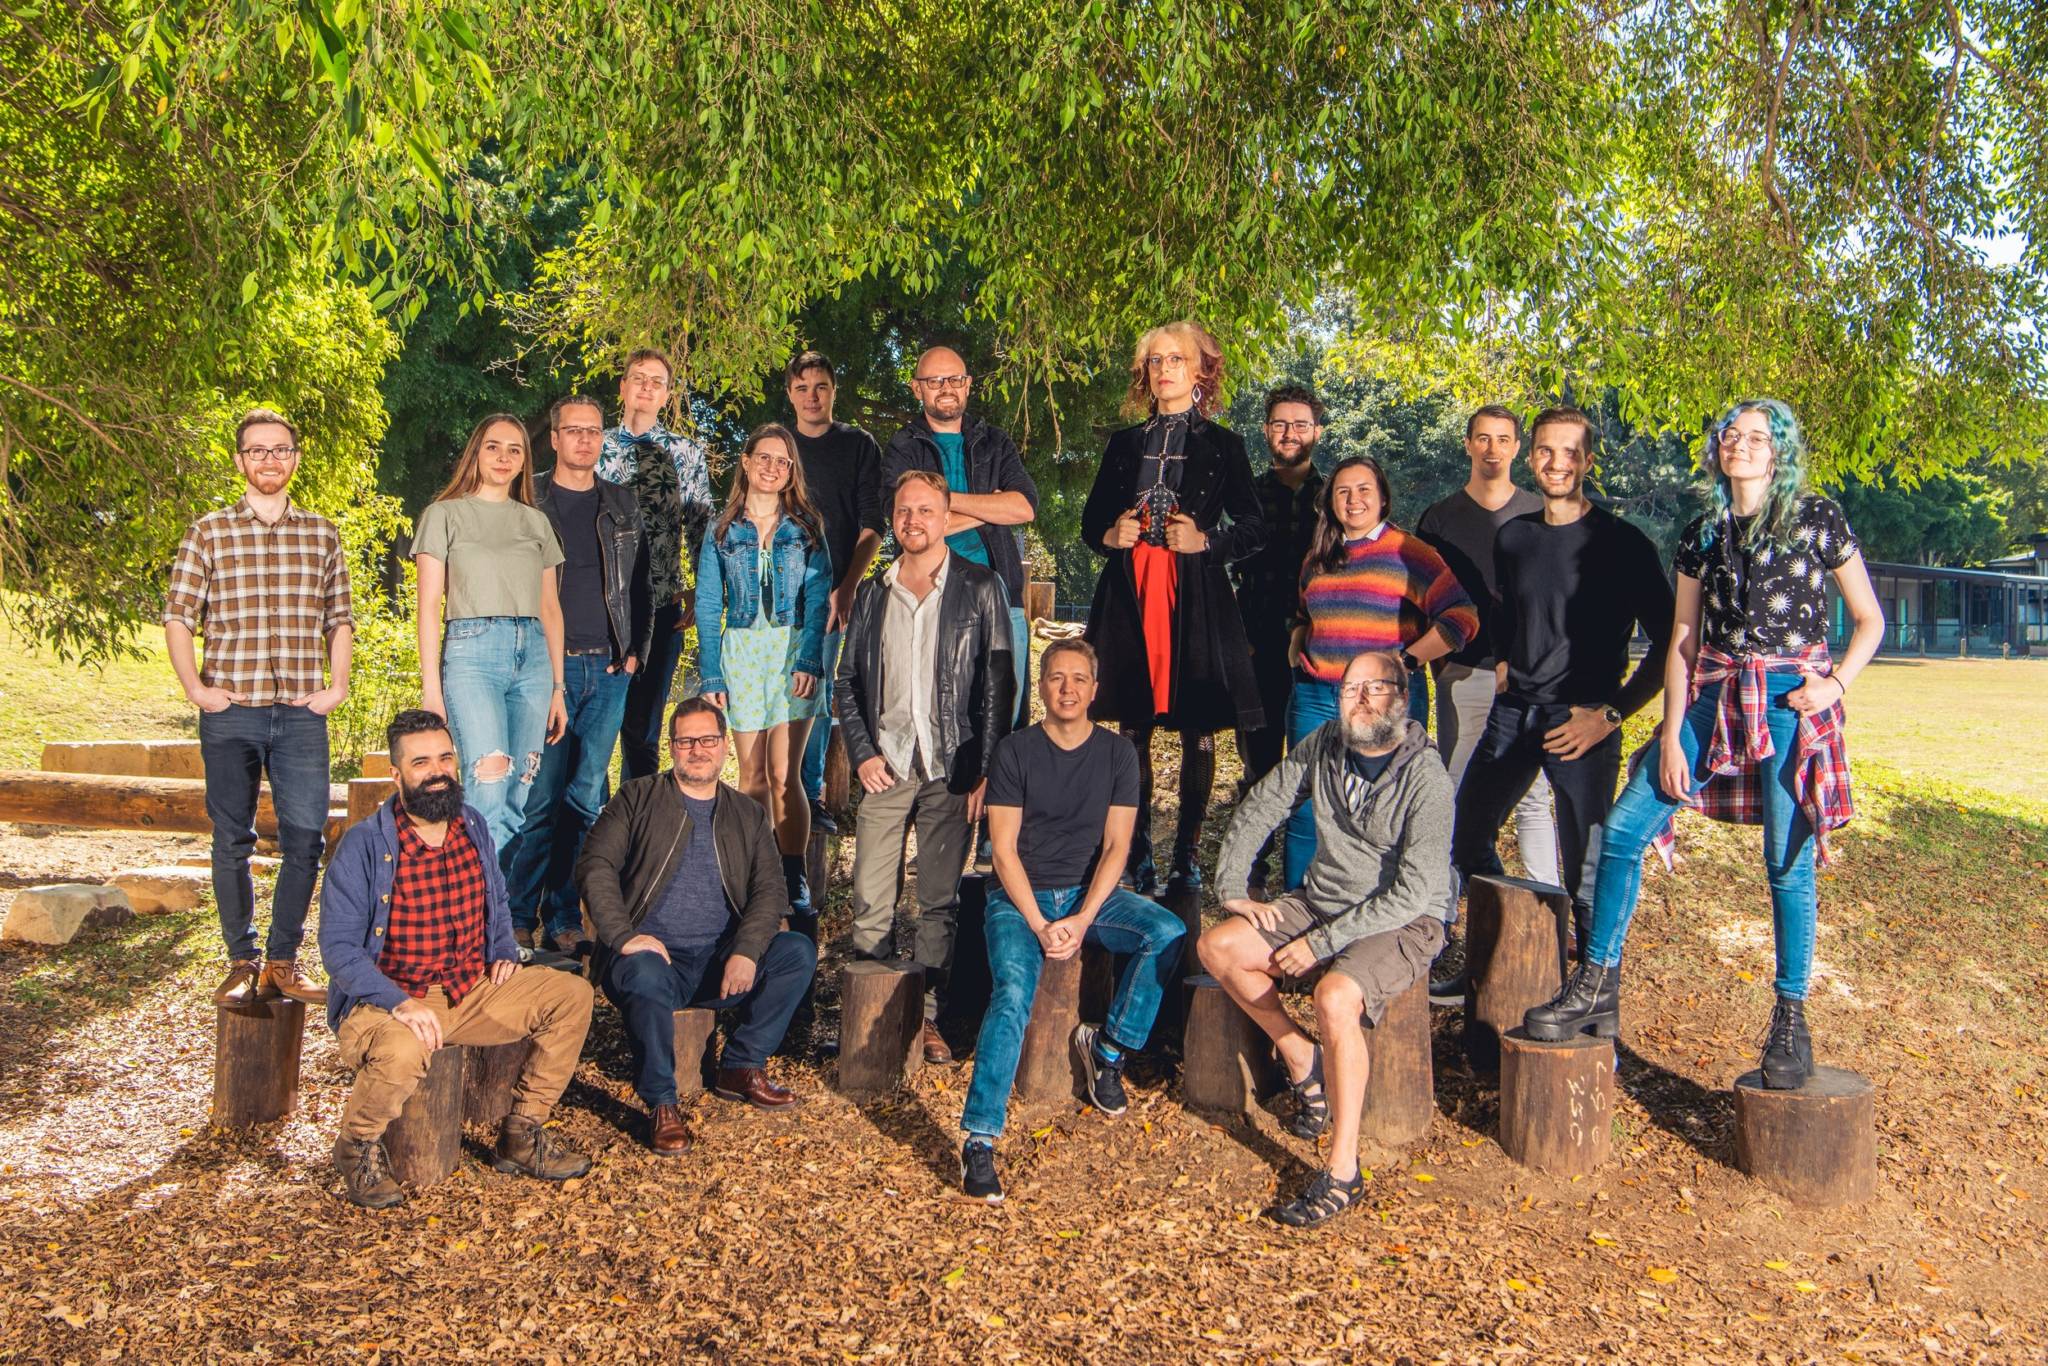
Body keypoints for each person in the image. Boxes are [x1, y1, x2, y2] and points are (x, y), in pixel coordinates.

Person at [1525, 399, 1884, 1091]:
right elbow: (1683, 640)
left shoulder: (1817, 518)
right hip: (1713, 695)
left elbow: (1869, 620)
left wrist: (1835, 686)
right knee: (1625, 831)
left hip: (1787, 701)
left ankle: (1790, 1019)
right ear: (1717, 448)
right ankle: (1594, 983)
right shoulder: (1702, 533)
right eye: (1730, 436)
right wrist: (1670, 733)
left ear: (1778, 451)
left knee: (1786, 865)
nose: (1740, 446)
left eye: (1756, 438)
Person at [1201, 651, 1454, 1227]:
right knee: (1218, 948)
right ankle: (1300, 1056)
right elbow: (1265, 802)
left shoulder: (1426, 778)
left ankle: (1344, 1170)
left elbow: (1414, 893)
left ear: (1401, 698)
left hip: (1404, 919)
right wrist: (1233, 883)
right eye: (1350, 689)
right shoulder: (1323, 745)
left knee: (1335, 997)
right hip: (1322, 900)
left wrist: (1320, 945)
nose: (1361, 700)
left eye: (1376, 689)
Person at [320, 710, 595, 1209]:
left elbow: (496, 895)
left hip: (467, 990)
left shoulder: (471, 824)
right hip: (388, 1002)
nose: (437, 770)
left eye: (445, 757)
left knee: (571, 995)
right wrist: (399, 1002)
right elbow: (338, 948)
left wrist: (502, 948)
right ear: (396, 774)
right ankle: (357, 1146)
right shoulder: (366, 844)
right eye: (421, 762)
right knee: (403, 1053)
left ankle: (522, 1133)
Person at [957, 639, 1186, 1203]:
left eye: (1079, 679)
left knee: (1166, 933)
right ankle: (980, 1139)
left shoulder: (1116, 754)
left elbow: (1118, 847)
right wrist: (1039, 923)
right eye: (1057, 678)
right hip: (1019, 900)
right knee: (1012, 992)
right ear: (1043, 687)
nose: (1067, 689)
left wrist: (1083, 919)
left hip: (1092, 897)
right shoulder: (1014, 752)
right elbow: (1002, 852)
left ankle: (1107, 1051)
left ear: (1094, 688)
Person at [1449, 406, 1674, 955]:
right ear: (1532, 458)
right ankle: (1518, 950)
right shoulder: (1516, 538)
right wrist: (1503, 660)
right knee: (1465, 839)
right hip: (1515, 713)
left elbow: (1671, 643)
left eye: (1570, 452)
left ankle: (1591, 996)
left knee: (1587, 870)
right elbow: (1507, 612)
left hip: (1584, 722)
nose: (1557, 462)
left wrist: (1610, 715)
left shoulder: (1624, 545)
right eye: (1546, 450)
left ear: (1587, 461)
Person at [164, 407, 351, 1007]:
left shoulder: (322, 533)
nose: (270, 459)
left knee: (305, 840)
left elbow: (338, 618)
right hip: (232, 710)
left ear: (294, 458)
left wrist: (338, 685)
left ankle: (282, 961)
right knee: (232, 839)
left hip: (301, 712)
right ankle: (241, 960)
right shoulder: (208, 532)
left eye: (280, 449)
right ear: (241, 461)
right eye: (258, 451)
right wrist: (197, 690)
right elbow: (178, 616)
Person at [576, 698, 819, 1154]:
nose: (698, 750)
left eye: (708, 740)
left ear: (725, 746)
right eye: (687, 741)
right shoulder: (637, 797)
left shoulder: (746, 814)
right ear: (672, 748)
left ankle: (742, 1065)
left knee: (796, 953)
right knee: (645, 973)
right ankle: (661, 1102)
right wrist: (624, 936)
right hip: (652, 959)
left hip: (718, 957)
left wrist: (746, 949)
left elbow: (770, 890)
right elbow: (595, 866)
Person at [1080, 319, 1266, 896]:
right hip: (1130, 592)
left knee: (1198, 728)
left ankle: (1186, 851)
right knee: (1131, 725)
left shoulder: (1225, 446)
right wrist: (1110, 536)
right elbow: (1092, 524)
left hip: (1196, 594)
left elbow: (1255, 528)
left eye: (1176, 360)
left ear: (1200, 371)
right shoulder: (1122, 445)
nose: (1164, 370)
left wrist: (1208, 543)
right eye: (1155, 361)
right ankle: (1136, 853)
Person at [837, 469, 1016, 1060]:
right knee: (871, 897)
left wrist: (987, 769)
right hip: (885, 766)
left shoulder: (980, 586)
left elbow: (998, 685)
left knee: (938, 901)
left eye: (925, 511)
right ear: (894, 520)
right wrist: (861, 754)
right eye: (903, 512)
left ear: (946, 519)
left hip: (952, 768)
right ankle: (869, 1018)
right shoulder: (874, 592)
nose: (913, 521)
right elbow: (846, 683)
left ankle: (925, 1018)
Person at [1283, 456, 1476, 889]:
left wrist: (1407, 661)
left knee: (1384, 810)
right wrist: (1298, 639)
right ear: (1331, 501)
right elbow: (1303, 611)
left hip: (1383, 701)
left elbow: (1462, 617)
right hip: (1317, 696)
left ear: (1383, 497)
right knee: (1305, 807)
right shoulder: (1318, 557)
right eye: (1343, 491)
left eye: (1364, 489)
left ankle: (1378, 918)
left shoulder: (1410, 553)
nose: (1354, 500)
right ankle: (1296, 911)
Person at [504, 394, 652, 953]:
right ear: (556, 437)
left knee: (586, 798)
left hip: (609, 668)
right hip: (547, 666)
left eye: (594, 432)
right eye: (574, 431)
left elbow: (639, 584)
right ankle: (518, 913)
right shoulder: (529, 499)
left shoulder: (621, 502)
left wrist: (635, 647)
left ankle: (564, 916)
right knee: (539, 797)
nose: (585, 441)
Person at [414, 414, 568, 868]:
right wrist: (431, 688)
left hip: (535, 659)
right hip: (472, 652)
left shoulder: (536, 523)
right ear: (475, 454)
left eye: (515, 450)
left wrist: (558, 688)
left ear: (524, 462)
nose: (504, 458)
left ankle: (485, 921)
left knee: (519, 791)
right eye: (493, 447)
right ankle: (477, 924)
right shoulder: (443, 515)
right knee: (487, 784)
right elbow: (428, 608)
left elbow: (551, 610)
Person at [1414, 404, 1559, 883]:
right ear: (1468, 444)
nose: (1492, 448)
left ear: (1517, 448)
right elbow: (1425, 601)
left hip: (1528, 674)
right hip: (1465, 672)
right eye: (1483, 438)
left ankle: (1546, 902)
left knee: (1533, 794)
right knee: (1457, 786)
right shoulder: (1439, 519)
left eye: (1503, 439)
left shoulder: (1540, 515)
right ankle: (1445, 908)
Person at [696, 424, 832, 921]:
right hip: (743, 655)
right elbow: (709, 604)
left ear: (791, 471)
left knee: (782, 774)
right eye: (765, 458)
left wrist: (810, 660)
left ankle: (792, 871)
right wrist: (711, 676)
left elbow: (819, 599)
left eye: (784, 461)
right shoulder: (721, 530)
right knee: (751, 775)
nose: (773, 468)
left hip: (792, 652)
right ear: (747, 463)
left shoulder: (807, 528)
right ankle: (753, 873)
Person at [881, 345, 1040, 725]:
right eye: (934, 381)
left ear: (967, 385)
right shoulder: (903, 448)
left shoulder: (995, 442)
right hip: (929, 598)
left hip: (1001, 595)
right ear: (917, 388)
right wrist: (990, 510)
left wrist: (944, 505)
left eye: (955, 379)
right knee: (939, 716)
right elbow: (909, 526)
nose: (946, 387)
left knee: (1007, 714)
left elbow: (1024, 507)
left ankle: (1001, 786)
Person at [599, 348, 716, 782]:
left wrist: (700, 592)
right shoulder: (597, 445)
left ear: (667, 395)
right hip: (600, 606)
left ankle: (639, 827)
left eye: (657, 382)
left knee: (642, 730)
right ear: (624, 387)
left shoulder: (685, 453)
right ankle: (591, 833)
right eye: (638, 378)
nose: (646, 387)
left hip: (662, 602)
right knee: (594, 726)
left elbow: (701, 527)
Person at [1230, 385, 1328, 896]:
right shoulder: (1246, 494)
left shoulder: (1334, 497)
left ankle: (1313, 878)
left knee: (1316, 764)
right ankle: (1251, 874)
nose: (1290, 434)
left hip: (1320, 647)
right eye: (1280, 425)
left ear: (1317, 431)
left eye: (1300, 425)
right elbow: (1224, 564)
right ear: (1266, 431)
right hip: (1258, 643)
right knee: (1260, 765)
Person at [786, 351, 884, 836]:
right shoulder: (777, 447)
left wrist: (846, 589)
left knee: (815, 693)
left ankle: (810, 793)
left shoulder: (858, 445)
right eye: (802, 388)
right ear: (790, 394)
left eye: (821, 387)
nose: (812, 396)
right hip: (773, 594)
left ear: (833, 392)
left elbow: (873, 525)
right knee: (768, 689)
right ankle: (769, 789)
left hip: (829, 597)